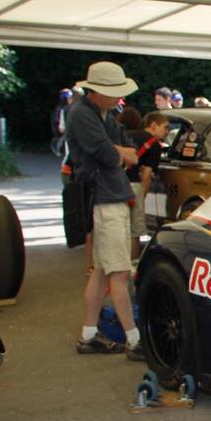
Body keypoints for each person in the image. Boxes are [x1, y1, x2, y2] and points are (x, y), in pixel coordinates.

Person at [69, 61, 143, 359]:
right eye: (112, 92)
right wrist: (121, 152)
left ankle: (89, 334)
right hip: (104, 198)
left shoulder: (102, 114)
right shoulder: (82, 115)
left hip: (109, 196)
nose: (117, 99)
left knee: (102, 270)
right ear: (95, 90)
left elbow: (126, 150)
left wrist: (120, 152)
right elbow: (109, 153)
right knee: (119, 272)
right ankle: (134, 340)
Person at [122, 109, 169, 260]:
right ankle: (132, 263)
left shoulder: (127, 135)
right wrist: (143, 195)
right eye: (165, 127)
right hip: (134, 186)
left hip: (115, 184)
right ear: (153, 125)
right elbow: (147, 176)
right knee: (134, 231)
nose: (167, 132)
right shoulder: (154, 144)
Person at [50, 88, 72, 157]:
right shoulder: (61, 110)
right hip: (63, 134)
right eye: (69, 98)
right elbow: (59, 126)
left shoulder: (69, 108)